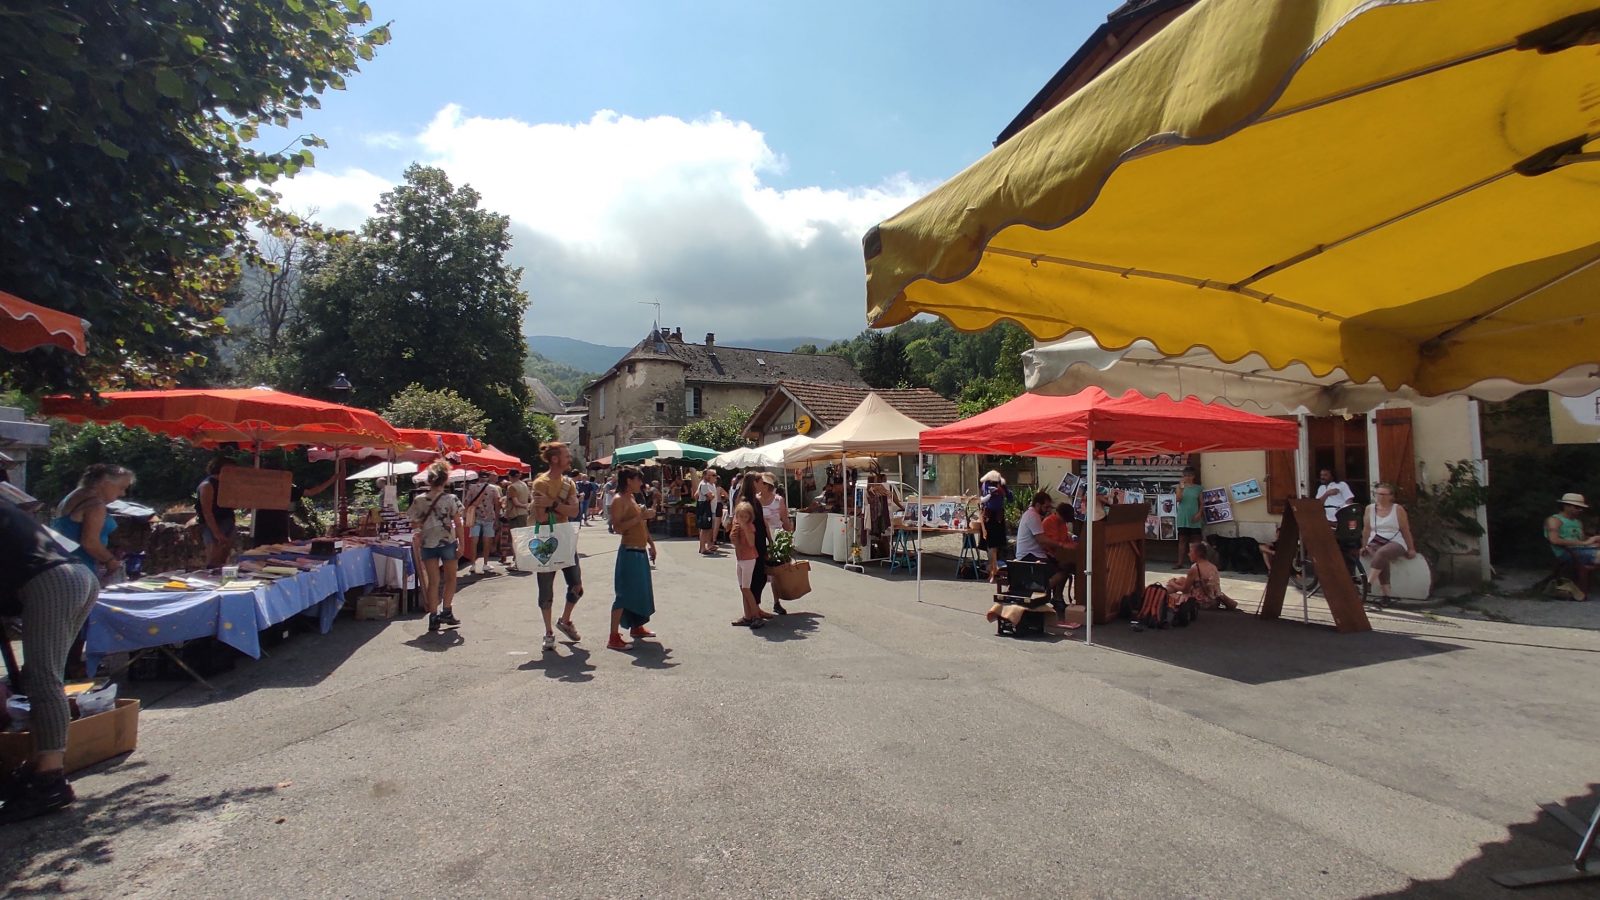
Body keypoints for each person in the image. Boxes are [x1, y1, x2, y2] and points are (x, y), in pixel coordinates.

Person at [0, 499, 100, 823]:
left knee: (44, 679)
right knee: (38, 678)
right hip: (71, 576)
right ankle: (39, 765)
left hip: (52, 581)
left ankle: (50, 779)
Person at [531, 442, 584, 651]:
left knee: (577, 586)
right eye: (566, 455)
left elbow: (574, 512)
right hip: (545, 540)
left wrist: (552, 504)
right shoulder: (540, 483)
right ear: (555, 459)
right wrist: (562, 507)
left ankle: (565, 620)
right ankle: (548, 632)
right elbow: (541, 516)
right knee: (546, 590)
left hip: (565, 538)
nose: (569, 458)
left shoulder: (568, 482)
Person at [52, 463, 135, 585]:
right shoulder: (95, 504)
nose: (123, 494)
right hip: (79, 571)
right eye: (121, 487)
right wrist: (110, 561)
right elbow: (90, 542)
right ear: (105, 483)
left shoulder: (74, 496)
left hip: (63, 566)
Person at [408, 460, 464, 632]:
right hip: (447, 541)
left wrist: (424, 527)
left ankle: (433, 616)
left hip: (427, 543)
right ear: (446, 480)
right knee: (451, 578)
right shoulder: (451, 498)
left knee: (433, 581)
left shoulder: (419, 499)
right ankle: (446, 610)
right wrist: (461, 543)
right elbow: (458, 522)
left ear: (429, 480)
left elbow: (413, 523)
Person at [607, 466, 656, 650]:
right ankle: (613, 637)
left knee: (641, 592)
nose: (641, 483)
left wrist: (651, 543)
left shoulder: (632, 498)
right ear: (629, 480)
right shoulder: (619, 500)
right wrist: (641, 517)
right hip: (629, 551)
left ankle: (636, 627)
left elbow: (641, 523)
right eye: (638, 479)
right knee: (624, 594)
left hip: (639, 550)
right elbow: (618, 528)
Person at [1360, 481, 1416, 603]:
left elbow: (1405, 530)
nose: (1381, 497)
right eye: (1378, 494)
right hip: (1376, 540)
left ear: (1391, 496)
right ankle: (1386, 596)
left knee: (1382, 553)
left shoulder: (1398, 509)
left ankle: (1368, 583)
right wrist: (1363, 546)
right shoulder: (1370, 509)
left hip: (1395, 540)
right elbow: (1366, 529)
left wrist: (1411, 548)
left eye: (1384, 494)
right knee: (1381, 560)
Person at [731, 472, 774, 627]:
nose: (763, 484)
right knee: (750, 582)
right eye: (761, 481)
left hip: (758, 542)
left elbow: (762, 522)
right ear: (754, 483)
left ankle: (753, 611)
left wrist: (769, 540)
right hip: (750, 544)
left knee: (757, 579)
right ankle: (752, 613)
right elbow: (738, 524)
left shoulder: (755, 500)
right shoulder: (745, 501)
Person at [754, 474, 794, 615]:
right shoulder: (756, 500)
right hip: (760, 538)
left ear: (766, 485)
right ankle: (755, 604)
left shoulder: (778, 500)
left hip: (776, 537)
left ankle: (776, 602)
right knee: (760, 572)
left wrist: (789, 538)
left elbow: (785, 520)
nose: (757, 485)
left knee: (776, 573)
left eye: (760, 482)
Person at [1165, 539, 1238, 611]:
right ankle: (1164, 591)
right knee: (1181, 579)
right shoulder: (1212, 566)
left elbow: (1185, 590)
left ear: (1197, 554)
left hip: (1202, 602)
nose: (1188, 554)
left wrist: (1172, 583)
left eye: (1190, 552)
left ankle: (1162, 593)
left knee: (1168, 597)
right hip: (1213, 600)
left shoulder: (1195, 569)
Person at [729, 488, 766, 629]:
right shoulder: (736, 525)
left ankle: (756, 616)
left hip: (749, 558)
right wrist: (733, 537)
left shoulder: (749, 527)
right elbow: (735, 543)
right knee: (742, 588)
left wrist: (744, 527)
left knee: (746, 588)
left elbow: (751, 543)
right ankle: (747, 616)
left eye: (745, 516)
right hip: (740, 558)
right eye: (740, 516)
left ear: (749, 517)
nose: (742, 519)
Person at [197, 456, 237, 569]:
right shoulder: (208, 485)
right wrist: (217, 533)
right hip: (213, 525)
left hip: (228, 522)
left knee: (223, 561)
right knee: (213, 560)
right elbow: (207, 512)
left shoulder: (227, 485)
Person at [1040, 499, 1080, 610]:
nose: (1066, 522)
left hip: (1059, 554)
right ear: (1060, 514)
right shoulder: (1049, 522)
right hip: (1048, 555)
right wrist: (1066, 546)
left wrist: (1074, 545)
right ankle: (1049, 593)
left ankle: (1059, 597)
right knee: (1065, 568)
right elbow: (1052, 544)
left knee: (1074, 566)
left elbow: (1066, 540)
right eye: (1065, 520)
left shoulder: (1062, 523)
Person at [460, 471, 501, 576]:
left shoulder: (472, 487)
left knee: (474, 540)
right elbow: (497, 504)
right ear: (488, 477)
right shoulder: (494, 488)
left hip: (475, 517)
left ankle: (473, 564)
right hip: (489, 517)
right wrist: (497, 519)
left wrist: (465, 516)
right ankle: (485, 563)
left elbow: (466, 502)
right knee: (487, 541)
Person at [1546, 493, 1600, 564]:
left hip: (1581, 550)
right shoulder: (1554, 520)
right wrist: (1585, 543)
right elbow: (1554, 540)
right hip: (1565, 553)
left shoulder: (1577, 522)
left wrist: (1594, 540)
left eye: (1582, 508)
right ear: (1566, 506)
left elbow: (1581, 539)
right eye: (1577, 507)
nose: (1580, 510)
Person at [979, 471, 1011, 583]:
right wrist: (991, 494)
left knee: (995, 546)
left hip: (998, 518)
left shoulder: (1001, 485)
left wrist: (1005, 491)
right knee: (990, 545)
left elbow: (1010, 498)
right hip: (988, 517)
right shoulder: (985, 485)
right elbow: (982, 500)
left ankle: (994, 569)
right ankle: (992, 570)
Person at [1174, 467, 1203, 569]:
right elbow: (1178, 499)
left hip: (1194, 516)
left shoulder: (1198, 488)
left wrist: (1199, 513)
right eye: (1185, 475)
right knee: (1182, 539)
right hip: (1183, 517)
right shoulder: (1179, 487)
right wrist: (1181, 488)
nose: (1187, 478)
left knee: (1196, 540)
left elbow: (1201, 503)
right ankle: (1180, 562)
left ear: (1193, 476)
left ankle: (1197, 562)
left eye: (1190, 475)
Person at [502, 469, 531, 569]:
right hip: (524, 514)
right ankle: (524, 561)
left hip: (515, 515)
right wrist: (527, 506)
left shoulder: (512, 487)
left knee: (516, 539)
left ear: (510, 476)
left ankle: (517, 562)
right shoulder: (524, 485)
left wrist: (523, 506)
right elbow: (528, 498)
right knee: (523, 538)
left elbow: (515, 503)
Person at [695, 469, 718, 554]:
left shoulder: (708, 484)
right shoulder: (704, 485)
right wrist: (710, 495)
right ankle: (702, 548)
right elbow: (711, 496)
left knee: (707, 528)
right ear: (705, 475)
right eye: (711, 475)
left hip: (710, 509)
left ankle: (707, 546)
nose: (714, 477)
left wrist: (710, 495)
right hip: (707, 509)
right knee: (704, 528)